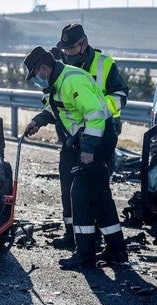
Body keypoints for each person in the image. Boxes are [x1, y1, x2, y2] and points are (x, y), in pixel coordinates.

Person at [22, 46, 128, 269]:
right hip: (90, 139)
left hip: (97, 139)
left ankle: (85, 254)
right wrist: (39, 121)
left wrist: (88, 149)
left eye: (35, 75)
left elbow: (95, 115)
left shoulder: (72, 81)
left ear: (43, 68)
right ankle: (117, 250)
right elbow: (59, 109)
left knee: (79, 194)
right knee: (100, 195)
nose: (36, 80)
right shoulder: (58, 82)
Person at [50, 23, 129, 251]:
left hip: (100, 135)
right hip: (72, 137)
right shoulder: (63, 66)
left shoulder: (104, 64)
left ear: (84, 43)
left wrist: (99, 109)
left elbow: (121, 95)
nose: (67, 53)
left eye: (71, 48)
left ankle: (94, 241)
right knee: (69, 187)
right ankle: (73, 236)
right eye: (64, 49)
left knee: (92, 190)